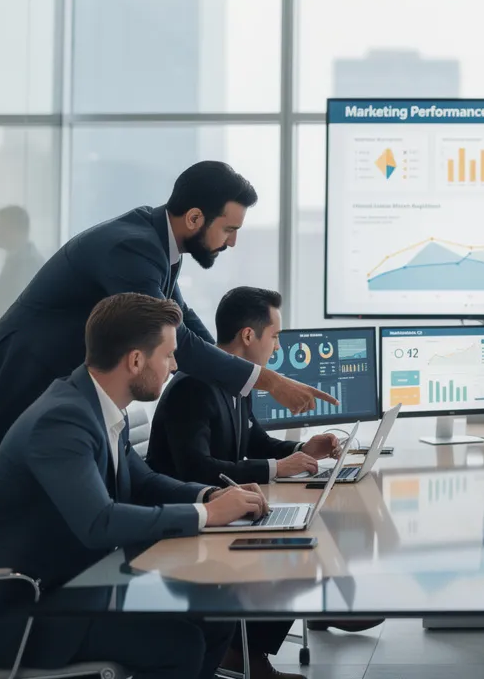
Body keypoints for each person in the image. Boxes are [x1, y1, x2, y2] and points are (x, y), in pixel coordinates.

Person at [0, 293, 274, 679]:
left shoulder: (93, 404)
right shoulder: (62, 421)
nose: (174, 366)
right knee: (179, 645)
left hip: (68, 585)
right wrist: (207, 515)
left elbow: (144, 480)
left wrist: (210, 496)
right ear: (136, 360)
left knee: (217, 610)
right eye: (168, 355)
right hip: (15, 614)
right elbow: (99, 523)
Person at [0, 161, 337, 483]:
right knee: (12, 510)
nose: (231, 242)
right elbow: (174, 340)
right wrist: (268, 380)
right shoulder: (133, 249)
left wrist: (235, 366)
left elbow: (184, 322)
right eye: (229, 230)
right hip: (11, 384)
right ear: (194, 218)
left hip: (44, 386)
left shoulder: (160, 248)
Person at [148, 286, 383, 678]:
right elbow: (196, 468)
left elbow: (253, 439)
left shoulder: (239, 385)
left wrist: (304, 448)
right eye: (274, 336)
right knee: (296, 548)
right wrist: (276, 468)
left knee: (311, 531)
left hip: (223, 507)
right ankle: (245, 655)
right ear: (248, 336)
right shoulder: (193, 386)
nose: (277, 347)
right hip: (193, 520)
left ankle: (305, 619)